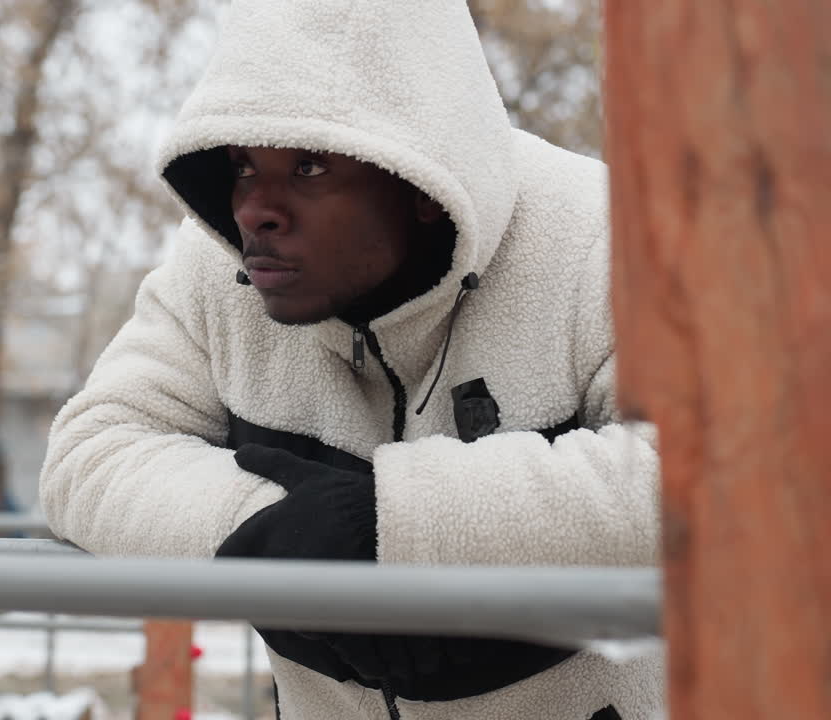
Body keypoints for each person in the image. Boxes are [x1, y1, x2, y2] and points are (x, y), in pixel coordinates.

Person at [38, 0, 663, 718]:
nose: (253, 211)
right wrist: (281, 534)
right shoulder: (222, 268)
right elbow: (89, 454)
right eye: (242, 165)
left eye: (307, 165)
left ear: (422, 179)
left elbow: (705, 477)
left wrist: (391, 526)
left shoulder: (601, 235)